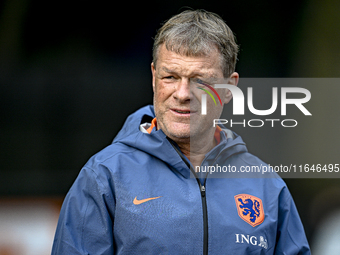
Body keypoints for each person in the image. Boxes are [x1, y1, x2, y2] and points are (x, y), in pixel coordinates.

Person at [52, 10, 311, 254]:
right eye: (170, 77)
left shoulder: (267, 186)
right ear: (154, 78)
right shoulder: (104, 176)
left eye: (200, 80)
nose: (183, 94)